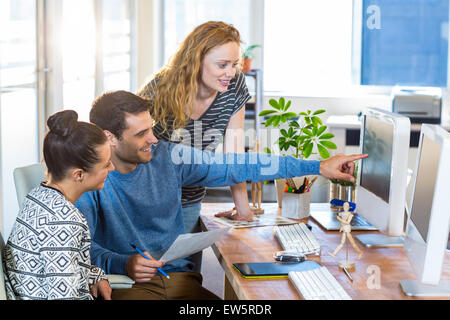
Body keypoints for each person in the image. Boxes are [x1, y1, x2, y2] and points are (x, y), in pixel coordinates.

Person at [75, 90, 367, 300]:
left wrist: (317, 165)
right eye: (141, 134)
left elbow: (236, 166)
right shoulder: (91, 178)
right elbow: (77, 250)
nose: (153, 138)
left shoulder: (169, 156)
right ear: (109, 137)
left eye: (151, 129)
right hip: (128, 286)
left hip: (179, 280)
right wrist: (122, 262)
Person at [138, 21, 254, 229]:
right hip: (146, 202)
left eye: (234, 64)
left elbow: (234, 154)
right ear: (196, 61)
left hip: (190, 201)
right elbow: (127, 147)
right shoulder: (159, 89)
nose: (231, 73)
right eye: (222, 65)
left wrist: (242, 207)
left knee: (186, 260)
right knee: (150, 262)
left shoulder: (234, 86)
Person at [3, 110, 114, 300]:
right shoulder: (64, 222)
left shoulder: (38, 195)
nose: (112, 168)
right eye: (106, 164)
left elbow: (61, 264)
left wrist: (96, 275)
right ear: (78, 174)